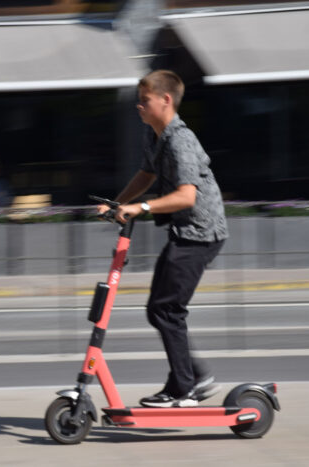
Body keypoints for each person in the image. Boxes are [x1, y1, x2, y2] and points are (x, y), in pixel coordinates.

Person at [98, 70, 228, 408]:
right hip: (185, 231)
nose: (138, 107)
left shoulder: (180, 140)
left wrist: (139, 207)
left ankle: (187, 385)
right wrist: (118, 204)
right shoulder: (155, 136)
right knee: (161, 308)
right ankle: (190, 377)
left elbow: (186, 196)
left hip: (201, 232)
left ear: (165, 100)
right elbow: (146, 173)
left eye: (145, 101)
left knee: (166, 309)